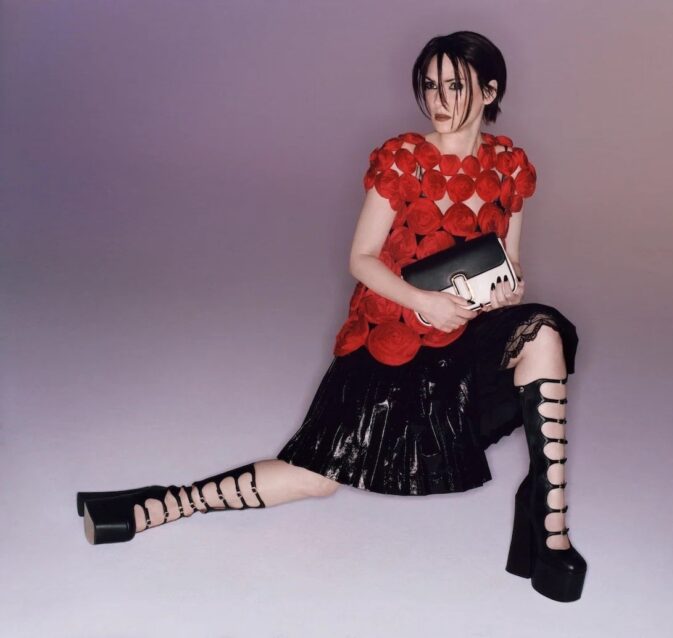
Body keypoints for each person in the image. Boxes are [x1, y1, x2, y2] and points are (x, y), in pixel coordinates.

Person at [76, 31, 587, 602]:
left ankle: (551, 524)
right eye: (430, 85)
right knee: (314, 479)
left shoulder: (509, 167)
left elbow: (510, 262)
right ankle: (159, 505)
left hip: (464, 344)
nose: (438, 100)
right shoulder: (404, 158)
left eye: (454, 86)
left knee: (543, 330)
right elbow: (361, 259)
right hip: (392, 343)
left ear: (489, 91)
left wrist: (503, 295)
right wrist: (424, 302)